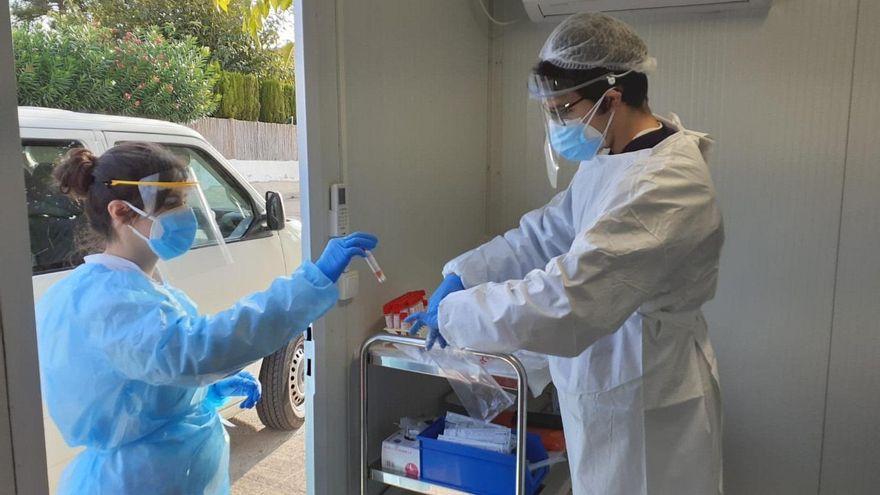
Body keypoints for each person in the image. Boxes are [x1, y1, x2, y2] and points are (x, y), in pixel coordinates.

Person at [408, 12, 724, 495]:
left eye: (563, 109)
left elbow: (567, 300)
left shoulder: (666, 182)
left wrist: (455, 314)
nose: (556, 123)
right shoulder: (613, 159)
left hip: (649, 392)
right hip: (611, 378)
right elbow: (545, 234)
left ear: (611, 98)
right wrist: (464, 274)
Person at [36, 142, 378, 495]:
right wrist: (311, 282)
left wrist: (198, 394)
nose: (186, 214)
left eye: (184, 200)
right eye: (170, 204)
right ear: (121, 211)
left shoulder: (133, 284)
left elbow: (144, 376)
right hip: (136, 482)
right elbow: (197, 350)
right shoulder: (106, 298)